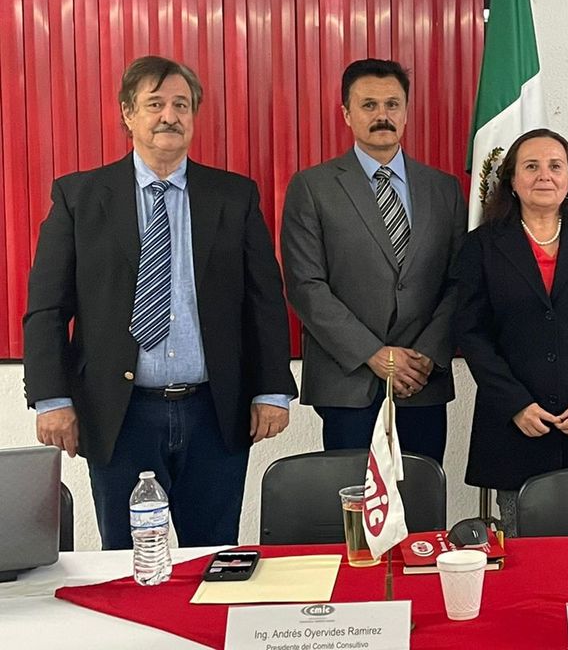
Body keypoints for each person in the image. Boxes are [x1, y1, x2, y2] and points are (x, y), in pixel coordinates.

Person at [23, 55, 296, 549]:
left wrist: (273, 390)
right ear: (127, 114)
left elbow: (265, 302)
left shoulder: (233, 196)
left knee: (211, 558)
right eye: (154, 104)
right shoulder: (80, 197)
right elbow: (47, 307)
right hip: (120, 415)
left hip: (214, 413)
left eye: (181, 105)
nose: (169, 116)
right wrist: (52, 400)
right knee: (126, 561)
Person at [453, 129, 568, 535]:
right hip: (516, 428)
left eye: (556, 166)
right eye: (531, 166)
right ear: (512, 180)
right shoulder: (481, 245)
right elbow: (471, 334)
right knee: (524, 551)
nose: (544, 175)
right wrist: (516, 404)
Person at [281, 58, 465, 464]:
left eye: (392, 104)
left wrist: (426, 355)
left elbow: (459, 282)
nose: (383, 115)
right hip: (350, 384)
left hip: (421, 382)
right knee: (353, 500)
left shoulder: (444, 189)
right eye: (368, 105)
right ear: (346, 114)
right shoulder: (312, 187)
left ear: (406, 112)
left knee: (422, 495)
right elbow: (306, 286)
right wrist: (375, 354)